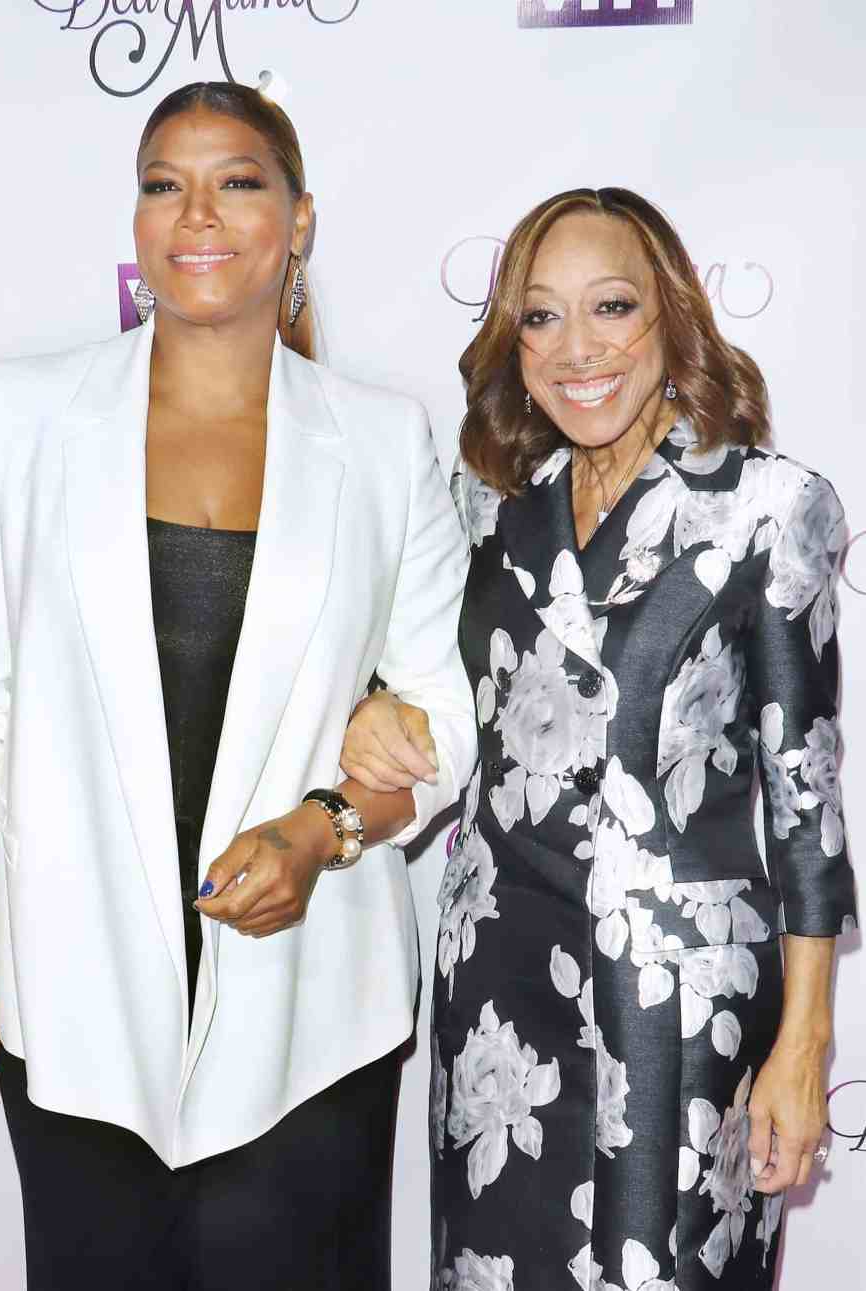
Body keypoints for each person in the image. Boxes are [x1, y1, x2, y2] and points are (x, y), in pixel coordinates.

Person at [0, 81, 476, 1291]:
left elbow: (438, 719)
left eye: (239, 180)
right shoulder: (23, 416)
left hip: (313, 1008)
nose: (196, 213)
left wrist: (321, 834)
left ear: (300, 219)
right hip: (69, 991)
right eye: (164, 182)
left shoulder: (382, 440)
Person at [342, 187, 857, 1290]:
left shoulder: (771, 507)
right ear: (512, 344)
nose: (578, 348)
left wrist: (805, 1043)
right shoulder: (483, 506)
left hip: (672, 1000)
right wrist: (381, 705)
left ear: (671, 316)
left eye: (611, 306)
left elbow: (807, 801)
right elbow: (425, 687)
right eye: (541, 317)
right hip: (496, 997)